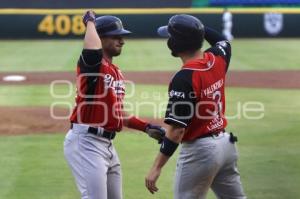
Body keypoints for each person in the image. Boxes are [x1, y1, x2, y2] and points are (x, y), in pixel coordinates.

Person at [64, 10, 165, 199]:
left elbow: (118, 112)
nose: (122, 40)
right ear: (100, 38)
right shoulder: (93, 66)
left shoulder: (115, 71)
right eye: (116, 36)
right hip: (87, 142)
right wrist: (90, 23)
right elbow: (92, 50)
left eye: (122, 36)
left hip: (107, 144)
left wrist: (146, 127)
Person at [145, 14, 246, 199]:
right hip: (226, 145)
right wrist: (196, 28)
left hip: (201, 151)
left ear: (176, 44)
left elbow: (176, 131)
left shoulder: (184, 78)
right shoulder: (217, 59)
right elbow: (222, 41)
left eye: (170, 37)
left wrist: (156, 167)